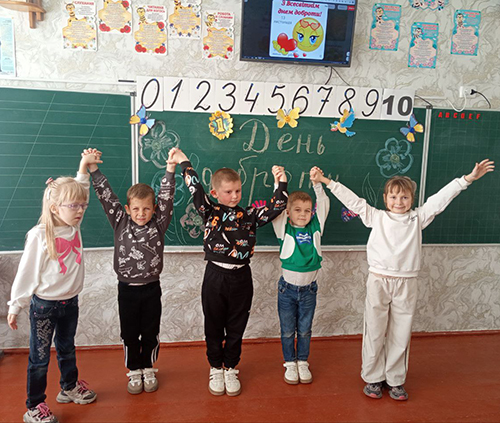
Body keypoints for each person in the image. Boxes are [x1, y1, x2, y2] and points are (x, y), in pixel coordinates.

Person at [313, 159, 494, 401]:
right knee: (374, 331)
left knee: (400, 333)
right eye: (394, 197)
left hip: (406, 282)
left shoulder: (418, 218)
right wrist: (326, 182)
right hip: (379, 280)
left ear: (412, 199)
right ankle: (373, 377)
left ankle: (395, 380)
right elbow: (353, 201)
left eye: (405, 197)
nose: (399, 202)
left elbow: (440, 199)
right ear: (385, 198)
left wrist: (467, 179)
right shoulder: (376, 217)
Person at [169, 147, 288, 397]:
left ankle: (231, 367)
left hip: (241, 277)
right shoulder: (209, 211)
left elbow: (276, 207)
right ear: (215, 194)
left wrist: (281, 182)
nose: (234, 196)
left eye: (238, 191)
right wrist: (184, 162)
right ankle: (215, 367)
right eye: (228, 192)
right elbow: (195, 189)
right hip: (215, 276)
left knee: (237, 325)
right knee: (213, 324)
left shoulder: (249, 215)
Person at [7, 149, 101, 423]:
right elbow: (26, 273)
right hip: (44, 307)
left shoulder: (74, 226)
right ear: (54, 207)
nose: (80, 210)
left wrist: (83, 165)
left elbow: (80, 189)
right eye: (74, 206)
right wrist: (16, 305)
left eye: (83, 206)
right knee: (39, 358)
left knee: (67, 348)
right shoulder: (39, 235)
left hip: (70, 302)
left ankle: (69, 387)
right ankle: (34, 405)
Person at [88, 149, 176, 395]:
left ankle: (148, 367)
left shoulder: (159, 224)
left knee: (150, 331)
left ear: (153, 209)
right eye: (136, 209)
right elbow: (107, 197)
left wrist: (170, 170)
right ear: (127, 209)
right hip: (126, 289)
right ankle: (134, 370)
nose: (141, 214)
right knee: (129, 332)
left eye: (146, 209)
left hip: (151, 288)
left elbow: (167, 198)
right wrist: (93, 170)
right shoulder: (120, 221)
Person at [271, 166, 330, 385]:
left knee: (304, 330)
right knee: (288, 331)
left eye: (307, 210)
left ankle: (302, 361)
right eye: (297, 210)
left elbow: (323, 204)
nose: (303, 214)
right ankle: (290, 362)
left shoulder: (316, 227)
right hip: (287, 290)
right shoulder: (283, 228)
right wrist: (278, 183)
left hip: (309, 291)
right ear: (288, 212)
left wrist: (317, 184)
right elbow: (277, 207)